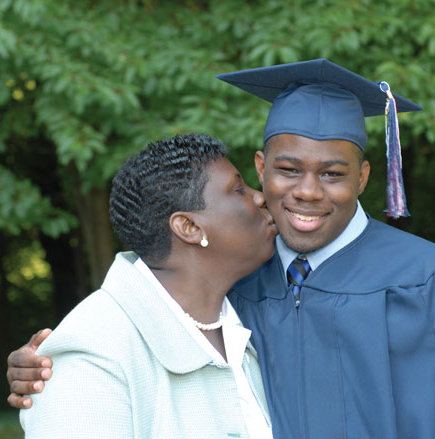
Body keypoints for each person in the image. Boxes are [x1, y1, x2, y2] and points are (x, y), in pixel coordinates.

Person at [8, 60, 435, 438]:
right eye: (287, 170)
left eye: (333, 174)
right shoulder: (233, 286)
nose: (308, 192)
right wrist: (45, 368)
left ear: (363, 177)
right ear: (263, 169)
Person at [18, 133, 276, 438]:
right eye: (238, 189)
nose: (260, 196)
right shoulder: (91, 358)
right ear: (189, 228)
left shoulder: (252, 316)